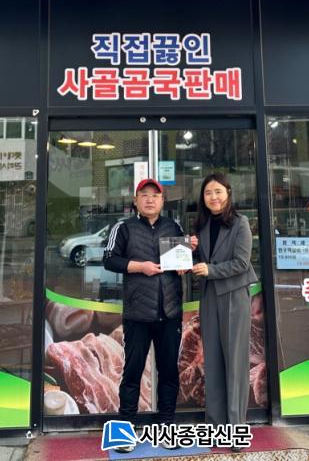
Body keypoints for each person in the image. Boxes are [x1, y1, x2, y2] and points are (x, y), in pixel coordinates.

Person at [103, 178, 185, 449]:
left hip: (169, 312)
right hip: (138, 314)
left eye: (155, 195)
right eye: (144, 195)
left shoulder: (174, 226)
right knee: (133, 371)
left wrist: (185, 263)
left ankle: (166, 428)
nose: (150, 199)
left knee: (169, 372)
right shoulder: (123, 227)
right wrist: (140, 267)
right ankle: (124, 432)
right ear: (136, 200)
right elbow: (109, 259)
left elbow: (184, 261)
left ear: (163, 200)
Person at [192, 172, 257, 426]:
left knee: (235, 361)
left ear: (228, 193)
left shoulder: (240, 223)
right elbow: (201, 261)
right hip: (209, 295)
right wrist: (189, 254)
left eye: (218, 191)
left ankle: (235, 424)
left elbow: (241, 263)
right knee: (213, 360)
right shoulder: (202, 225)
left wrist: (210, 270)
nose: (213, 197)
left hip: (234, 295)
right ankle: (216, 423)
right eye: (208, 193)